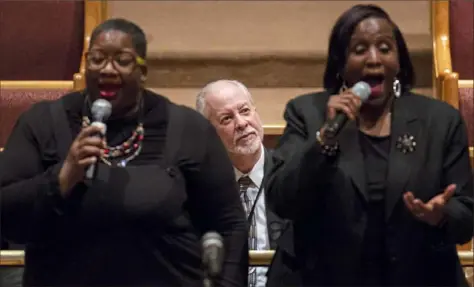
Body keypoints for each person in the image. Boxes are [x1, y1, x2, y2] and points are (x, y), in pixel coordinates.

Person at [0, 18, 248, 287]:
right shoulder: (43, 123)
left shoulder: (188, 129)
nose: (107, 69)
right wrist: (62, 178)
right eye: (97, 58)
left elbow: (230, 225)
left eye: (122, 59)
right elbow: (6, 214)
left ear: (143, 70)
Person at [265, 4, 473, 287]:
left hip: (419, 276)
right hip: (323, 277)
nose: (374, 59)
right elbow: (281, 199)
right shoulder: (307, 113)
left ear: (399, 61)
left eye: (385, 48)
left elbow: (466, 214)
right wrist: (325, 139)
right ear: (340, 62)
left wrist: (441, 215)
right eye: (360, 49)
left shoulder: (439, 121)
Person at [196, 80, 285, 287]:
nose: (242, 123)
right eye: (227, 118)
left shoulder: (290, 176)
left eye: (245, 111)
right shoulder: (202, 189)